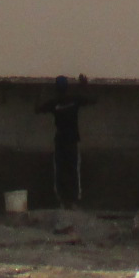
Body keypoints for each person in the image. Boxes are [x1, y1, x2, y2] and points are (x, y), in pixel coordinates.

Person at [35, 74, 97, 208]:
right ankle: (73, 200)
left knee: (60, 170)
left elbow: (37, 109)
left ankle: (62, 200)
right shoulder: (74, 100)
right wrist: (84, 85)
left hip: (60, 140)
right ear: (67, 87)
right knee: (73, 170)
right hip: (72, 140)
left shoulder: (55, 103)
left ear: (56, 88)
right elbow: (94, 99)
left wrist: (42, 90)